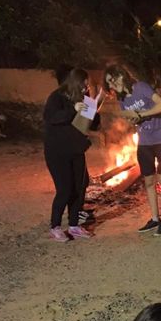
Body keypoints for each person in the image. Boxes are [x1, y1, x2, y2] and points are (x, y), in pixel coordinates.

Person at [104, 65, 161, 236]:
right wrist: (132, 119)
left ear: (121, 76)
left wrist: (141, 114)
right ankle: (155, 218)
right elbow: (131, 119)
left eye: (112, 81)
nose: (112, 86)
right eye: (109, 84)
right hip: (144, 142)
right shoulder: (122, 100)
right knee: (149, 181)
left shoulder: (141, 87)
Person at [43, 68, 100, 242]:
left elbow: (93, 125)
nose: (86, 88)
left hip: (76, 148)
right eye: (84, 85)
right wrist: (73, 109)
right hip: (57, 151)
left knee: (80, 187)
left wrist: (94, 110)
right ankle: (56, 226)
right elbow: (51, 117)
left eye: (87, 85)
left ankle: (74, 225)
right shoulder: (57, 97)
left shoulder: (83, 98)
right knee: (65, 189)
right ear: (75, 83)